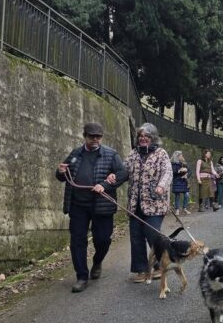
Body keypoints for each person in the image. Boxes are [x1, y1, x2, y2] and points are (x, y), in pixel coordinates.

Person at [55, 122, 127, 293]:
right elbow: (62, 176)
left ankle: (97, 261)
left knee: (103, 240)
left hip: (101, 206)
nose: (95, 139)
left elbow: (123, 174)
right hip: (78, 205)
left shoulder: (110, 155)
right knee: (77, 241)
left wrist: (105, 184)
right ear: (84, 136)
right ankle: (81, 276)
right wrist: (60, 171)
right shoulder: (75, 154)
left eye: (98, 136)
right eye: (91, 136)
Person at [122, 123, 172, 283]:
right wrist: (111, 177)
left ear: (153, 138)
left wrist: (161, 186)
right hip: (135, 203)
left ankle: (158, 265)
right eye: (140, 136)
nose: (143, 139)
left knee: (153, 234)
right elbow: (123, 170)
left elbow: (167, 172)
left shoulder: (161, 153)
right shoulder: (133, 154)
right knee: (136, 236)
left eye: (147, 136)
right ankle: (141, 270)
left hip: (155, 203)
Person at [171, 151, 191, 215]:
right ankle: (177, 209)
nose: (182, 156)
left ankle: (184, 208)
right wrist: (179, 171)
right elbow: (173, 172)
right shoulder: (173, 164)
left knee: (187, 194)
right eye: (180, 155)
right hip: (177, 181)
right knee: (177, 195)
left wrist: (186, 175)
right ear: (177, 156)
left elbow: (190, 171)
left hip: (184, 181)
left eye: (182, 155)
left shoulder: (184, 163)